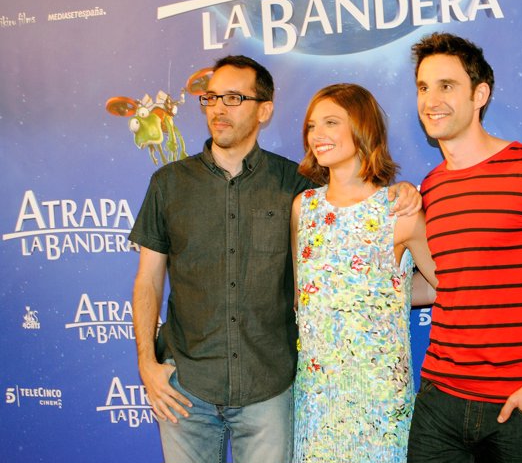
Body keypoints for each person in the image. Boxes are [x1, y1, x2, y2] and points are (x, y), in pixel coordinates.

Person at [129, 55, 422, 463]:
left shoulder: (298, 188)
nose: (218, 108)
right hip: (185, 388)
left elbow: (357, 208)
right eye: (211, 97)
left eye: (234, 97)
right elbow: (147, 281)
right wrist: (146, 363)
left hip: (269, 389)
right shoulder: (168, 184)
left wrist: (401, 191)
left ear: (264, 110)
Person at [406, 33, 522, 463]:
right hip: (439, 403)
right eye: (422, 87)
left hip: (519, 407)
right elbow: (445, 283)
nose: (431, 99)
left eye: (446, 85)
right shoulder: (431, 187)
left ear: (480, 94)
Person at [290, 83, 437, 462]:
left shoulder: (398, 210)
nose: (317, 135)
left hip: (380, 399)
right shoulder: (302, 208)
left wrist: (392, 291)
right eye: (311, 126)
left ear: (363, 128)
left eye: (331, 122)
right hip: (318, 396)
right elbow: (303, 294)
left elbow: (442, 285)